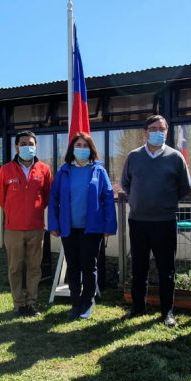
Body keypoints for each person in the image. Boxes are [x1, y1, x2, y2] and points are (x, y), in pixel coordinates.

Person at [120, 115, 191, 327]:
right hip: (138, 221)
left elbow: (184, 188)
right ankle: (137, 308)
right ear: (145, 132)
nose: (157, 132)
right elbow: (126, 183)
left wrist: (164, 202)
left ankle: (167, 312)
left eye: (161, 128)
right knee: (139, 267)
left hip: (165, 221)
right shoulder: (133, 157)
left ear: (167, 131)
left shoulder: (176, 157)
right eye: (153, 128)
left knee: (166, 269)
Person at [48, 132, 116, 320]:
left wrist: (109, 225)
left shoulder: (98, 171)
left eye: (85, 146)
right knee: (73, 266)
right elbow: (53, 199)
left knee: (88, 266)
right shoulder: (63, 171)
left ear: (91, 149)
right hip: (69, 228)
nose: (82, 149)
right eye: (78, 145)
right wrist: (53, 224)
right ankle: (75, 303)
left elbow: (108, 198)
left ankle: (87, 302)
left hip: (92, 229)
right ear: (72, 149)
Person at [0, 131, 52, 316]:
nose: (27, 146)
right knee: (15, 268)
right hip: (13, 229)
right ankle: (18, 304)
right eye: (23, 143)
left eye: (30, 143)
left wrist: (33, 211)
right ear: (16, 147)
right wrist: (15, 212)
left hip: (36, 228)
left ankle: (32, 303)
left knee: (34, 268)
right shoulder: (5, 170)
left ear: (35, 146)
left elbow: (47, 197)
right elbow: (0, 197)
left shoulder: (44, 169)